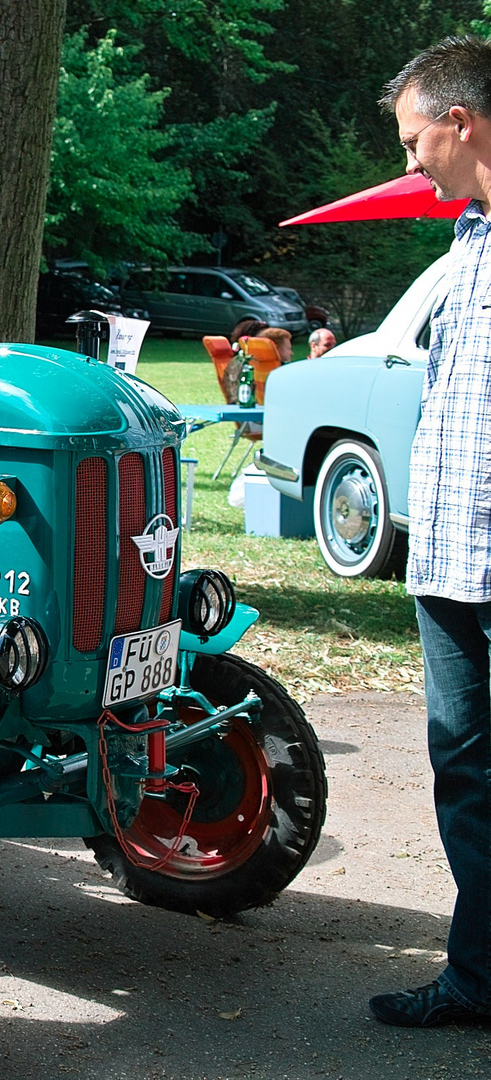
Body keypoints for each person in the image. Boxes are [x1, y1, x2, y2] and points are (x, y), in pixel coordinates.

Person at [369, 35, 491, 1028]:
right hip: (450, 559)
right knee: (466, 775)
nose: (409, 162)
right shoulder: (467, 239)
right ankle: (478, 980)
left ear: (461, 122)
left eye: (415, 140)